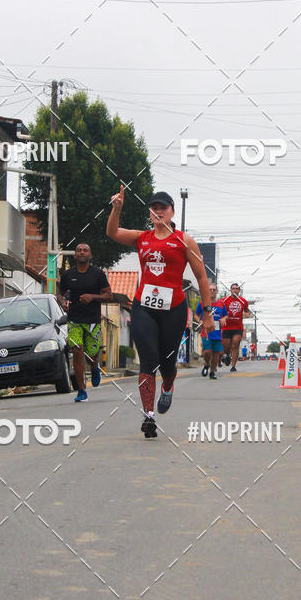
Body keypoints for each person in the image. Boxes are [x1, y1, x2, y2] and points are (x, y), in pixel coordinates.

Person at [107, 187, 214, 437]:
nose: (158, 211)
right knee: (148, 360)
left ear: (171, 212)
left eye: (163, 208)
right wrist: (116, 209)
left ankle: (168, 386)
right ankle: (148, 416)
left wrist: (207, 312)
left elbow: (200, 276)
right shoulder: (141, 237)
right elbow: (112, 232)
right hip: (144, 306)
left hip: (173, 310)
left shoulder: (184, 240)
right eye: (154, 207)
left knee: (167, 365)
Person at [58, 243, 113, 402]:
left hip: (92, 320)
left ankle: (94, 367)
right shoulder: (68, 275)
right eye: (79, 250)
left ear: (90, 255)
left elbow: (109, 295)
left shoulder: (98, 274)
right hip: (74, 320)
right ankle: (81, 390)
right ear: (75, 255)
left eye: (85, 250)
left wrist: (92, 297)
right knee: (76, 352)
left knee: (90, 355)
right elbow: (60, 294)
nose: (82, 252)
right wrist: (62, 302)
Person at [195, 282, 227, 379]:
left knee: (216, 353)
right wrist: (199, 320)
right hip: (206, 331)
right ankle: (206, 364)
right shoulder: (202, 303)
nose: (212, 291)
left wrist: (224, 319)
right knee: (207, 351)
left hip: (217, 332)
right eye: (210, 290)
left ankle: (212, 372)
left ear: (217, 291)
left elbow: (226, 315)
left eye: (214, 289)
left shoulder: (221, 303)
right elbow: (196, 314)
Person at [220, 282, 251, 372]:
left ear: (239, 291)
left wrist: (246, 314)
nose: (235, 290)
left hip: (237, 327)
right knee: (226, 346)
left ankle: (233, 366)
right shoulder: (224, 300)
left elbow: (247, 311)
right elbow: (219, 311)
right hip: (226, 327)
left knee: (235, 344)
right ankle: (227, 355)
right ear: (230, 290)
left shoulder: (243, 301)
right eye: (233, 288)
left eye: (237, 289)